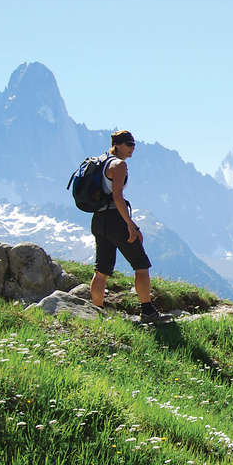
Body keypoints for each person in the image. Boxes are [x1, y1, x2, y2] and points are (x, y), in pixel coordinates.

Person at [89, 130, 169, 324]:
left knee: (101, 270)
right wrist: (130, 224)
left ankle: (96, 312)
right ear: (118, 145)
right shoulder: (119, 165)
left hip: (98, 219)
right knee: (141, 265)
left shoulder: (100, 162)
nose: (133, 148)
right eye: (130, 144)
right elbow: (117, 196)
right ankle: (148, 311)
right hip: (115, 220)